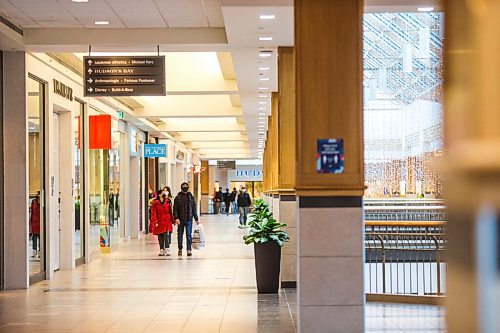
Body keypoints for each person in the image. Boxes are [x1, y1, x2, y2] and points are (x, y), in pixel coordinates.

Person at [174, 182, 199, 257]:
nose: (185, 188)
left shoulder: (191, 197)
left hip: (189, 219)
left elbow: (194, 208)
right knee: (180, 235)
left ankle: (189, 249)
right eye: (183, 187)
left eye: (186, 187)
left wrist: (196, 218)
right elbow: (175, 209)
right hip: (180, 219)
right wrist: (176, 218)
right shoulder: (177, 197)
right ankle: (180, 249)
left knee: (188, 234)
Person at [150, 190, 174, 256]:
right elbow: (153, 213)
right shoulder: (155, 203)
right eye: (162, 193)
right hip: (159, 221)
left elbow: (170, 211)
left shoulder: (168, 201)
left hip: (167, 221)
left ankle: (167, 248)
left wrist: (173, 220)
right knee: (160, 236)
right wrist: (155, 221)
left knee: (166, 235)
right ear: (159, 195)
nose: (164, 194)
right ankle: (161, 249)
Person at [29, 194, 41, 258]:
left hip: (40, 222)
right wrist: (30, 222)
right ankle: (34, 251)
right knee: (34, 238)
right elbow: (32, 212)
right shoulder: (33, 202)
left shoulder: (43, 202)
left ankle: (40, 252)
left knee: (40, 238)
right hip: (34, 222)